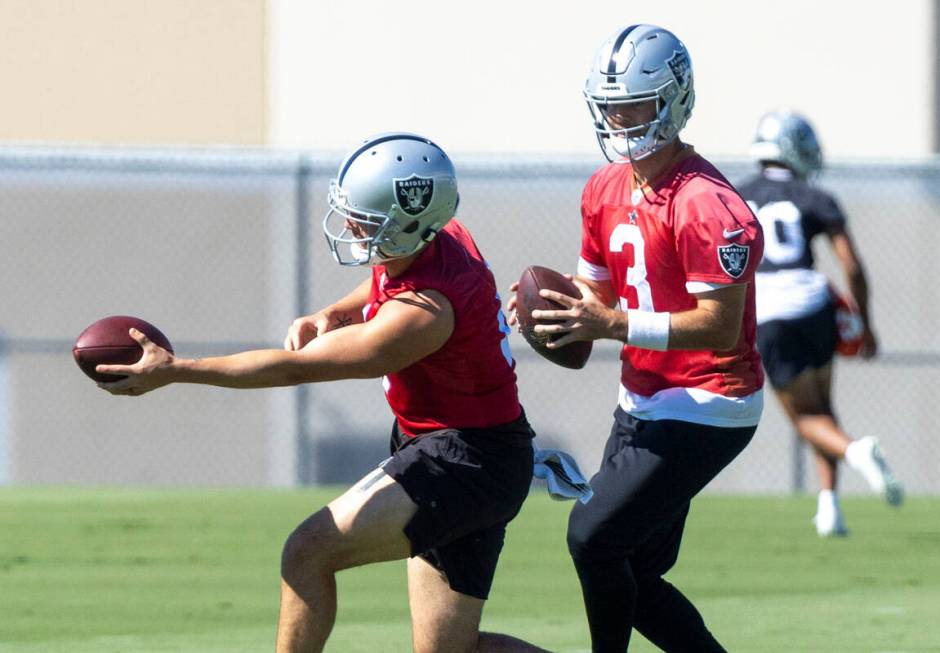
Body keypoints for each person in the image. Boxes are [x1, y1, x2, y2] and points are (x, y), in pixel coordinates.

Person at [97, 133, 550, 653]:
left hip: (464, 462)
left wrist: (177, 370)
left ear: (406, 226)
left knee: (307, 553)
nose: (352, 226)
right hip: (475, 450)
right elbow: (386, 276)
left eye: (367, 219)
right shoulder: (441, 234)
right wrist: (337, 311)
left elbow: (294, 368)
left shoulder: (421, 316)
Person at [511, 24, 764, 653]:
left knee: (592, 536)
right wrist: (547, 310)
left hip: (710, 401)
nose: (621, 119)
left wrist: (610, 324)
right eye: (612, 105)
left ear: (674, 101)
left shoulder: (709, 204)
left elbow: (718, 326)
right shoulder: (603, 187)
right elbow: (591, 292)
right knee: (633, 568)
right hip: (641, 395)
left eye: (635, 104)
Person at [738, 110, 903, 537]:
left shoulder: (733, 197)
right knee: (823, 408)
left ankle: (855, 450)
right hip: (815, 304)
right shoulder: (816, 197)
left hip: (770, 308)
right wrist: (866, 324)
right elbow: (852, 265)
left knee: (805, 418)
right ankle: (829, 507)